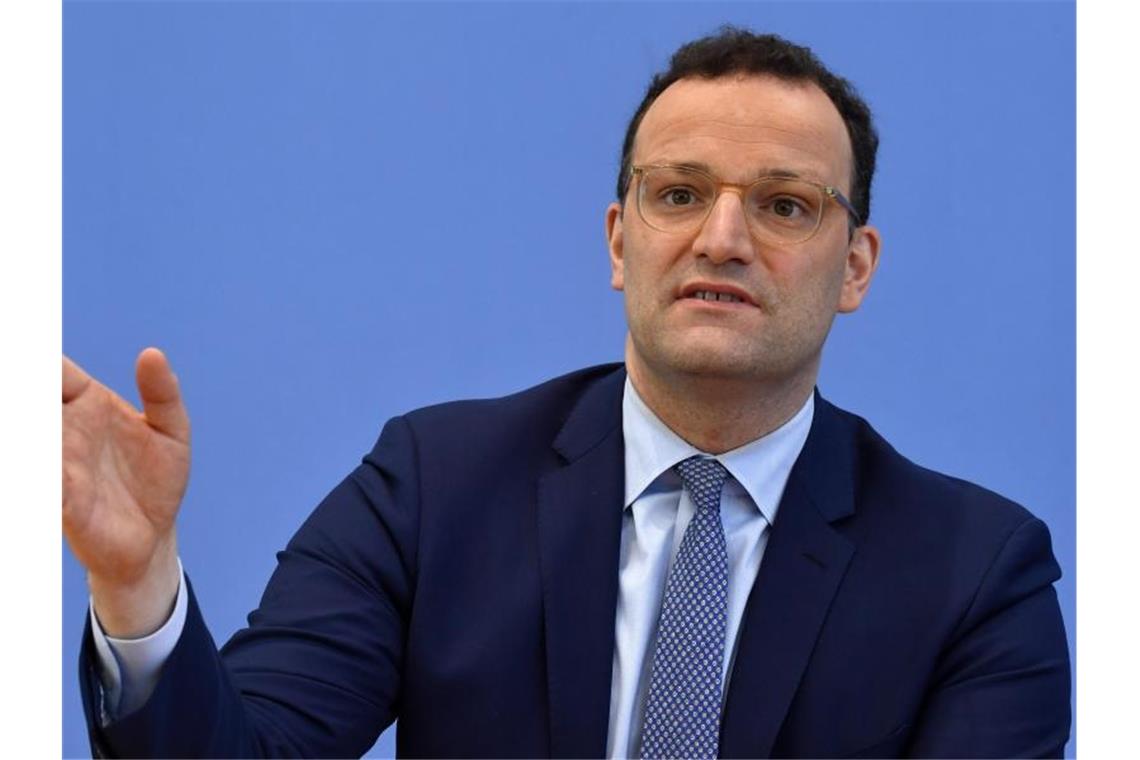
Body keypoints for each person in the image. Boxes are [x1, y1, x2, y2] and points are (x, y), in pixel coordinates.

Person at [63, 27, 1071, 758]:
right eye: (678, 193)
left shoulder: (977, 573)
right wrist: (139, 585)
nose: (721, 238)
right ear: (618, 241)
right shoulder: (432, 486)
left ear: (855, 266)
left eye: (783, 204)